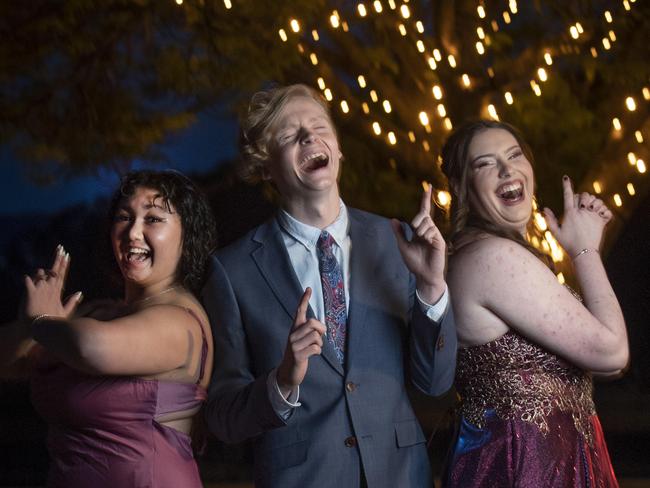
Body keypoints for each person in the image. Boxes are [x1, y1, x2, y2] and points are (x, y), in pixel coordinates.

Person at [201, 83, 457, 487]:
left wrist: (431, 287)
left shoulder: (398, 243)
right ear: (266, 167)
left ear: (337, 149)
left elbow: (435, 382)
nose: (309, 137)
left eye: (319, 127)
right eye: (289, 135)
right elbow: (223, 418)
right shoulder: (232, 272)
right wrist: (282, 380)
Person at [439, 120, 628, 487]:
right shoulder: (493, 257)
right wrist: (585, 250)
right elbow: (612, 352)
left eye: (514, 155)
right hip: (523, 466)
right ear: (462, 187)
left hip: (552, 461)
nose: (508, 169)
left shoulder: (493, 253)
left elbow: (603, 368)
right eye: (485, 163)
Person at [0, 170, 216, 487]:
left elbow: (92, 349)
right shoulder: (100, 312)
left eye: (153, 219)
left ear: (187, 234)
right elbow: (8, 362)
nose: (132, 233)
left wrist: (41, 323)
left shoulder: (181, 320)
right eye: (123, 217)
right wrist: (28, 326)